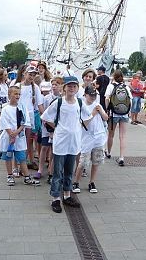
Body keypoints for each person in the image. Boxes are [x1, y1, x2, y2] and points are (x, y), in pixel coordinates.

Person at [42, 75, 98, 213]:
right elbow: (45, 116)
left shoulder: (79, 103)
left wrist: (80, 127)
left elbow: (87, 117)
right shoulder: (59, 102)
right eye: (69, 86)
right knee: (57, 172)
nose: (72, 88)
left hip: (74, 143)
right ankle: (55, 198)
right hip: (61, 142)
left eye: (74, 86)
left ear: (77, 88)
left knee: (69, 171)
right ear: (64, 88)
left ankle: (67, 195)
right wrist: (57, 127)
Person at [0, 86, 40, 186]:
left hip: (19, 136)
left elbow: (24, 121)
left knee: (21, 157)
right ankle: (9, 175)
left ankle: (26, 177)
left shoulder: (22, 108)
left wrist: (17, 132)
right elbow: (4, 122)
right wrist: (11, 134)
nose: (17, 96)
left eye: (19, 94)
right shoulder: (5, 109)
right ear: (9, 95)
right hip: (8, 137)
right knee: (8, 157)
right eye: (15, 94)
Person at [72, 85, 108, 194]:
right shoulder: (81, 106)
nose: (92, 97)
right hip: (86, 137)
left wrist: (101, 111)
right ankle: (76, 182)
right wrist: (92, 114)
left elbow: (106, 118)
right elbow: (83, 124)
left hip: (99, 137)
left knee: (96, 161)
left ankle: (92, 182)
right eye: (90, 95)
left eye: (94, 95)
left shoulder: (97, 104)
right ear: (85, 95)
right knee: (82, 162)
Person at [104, 69, 132, 166]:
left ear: (114, 76)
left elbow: (107, 98)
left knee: (111, 134)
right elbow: (130, 101)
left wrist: (107, 110)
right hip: (124, 114)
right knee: (123, 136)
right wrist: (128, 113)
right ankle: (121, 157)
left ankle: (108, 152)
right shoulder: (126, 87)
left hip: (113, 114)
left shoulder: (111, 86)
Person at [19, 65, 44, 168]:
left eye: (33, 75)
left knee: (29, 140)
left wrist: (45, 117)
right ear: (25, 74)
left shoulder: (35, 88)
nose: (31, 76)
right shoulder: (17, 85)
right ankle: (19, 163)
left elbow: (39, 104)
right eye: (30, 74)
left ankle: (27, 162)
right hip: (20, 116)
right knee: (20, 140)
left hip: (31, 117)